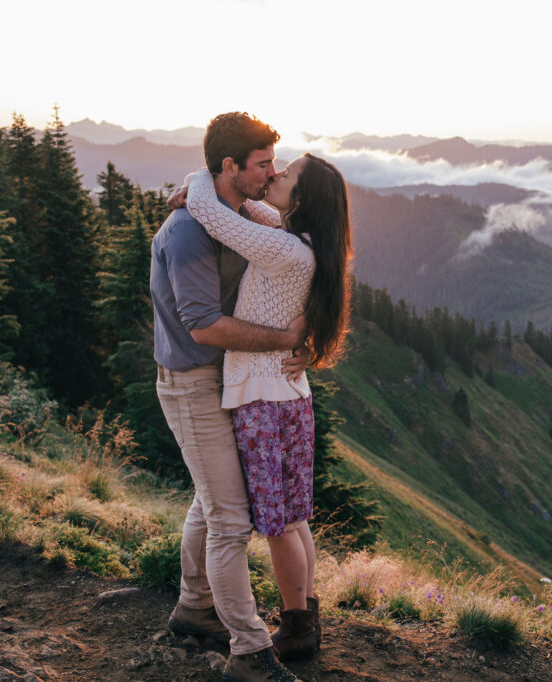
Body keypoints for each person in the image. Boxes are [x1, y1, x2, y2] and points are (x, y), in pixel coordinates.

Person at [170, 150, 353, 661]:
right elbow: (253, 213)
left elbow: (216, 217)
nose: (274, 175)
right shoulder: (302, 241)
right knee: (293, 519)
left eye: (286, 174)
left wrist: (197, 179)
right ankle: (306, 616)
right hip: (289, 398)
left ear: (303, 197)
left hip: (262, 401)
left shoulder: (285, 250)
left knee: (275, 524)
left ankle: (295, 627)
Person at [151, 111, 307, 682]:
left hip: (227, 379)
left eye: (273, 164)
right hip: (194, 382)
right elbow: (204, 326)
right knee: (231, 521)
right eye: (262, 164)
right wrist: (286, 340)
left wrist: (307, 339)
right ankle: (248, 650)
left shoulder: (230, 214)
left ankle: (195, 609)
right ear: (229, 167)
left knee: (210, 501)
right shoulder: (188, 233)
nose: (270, 174)